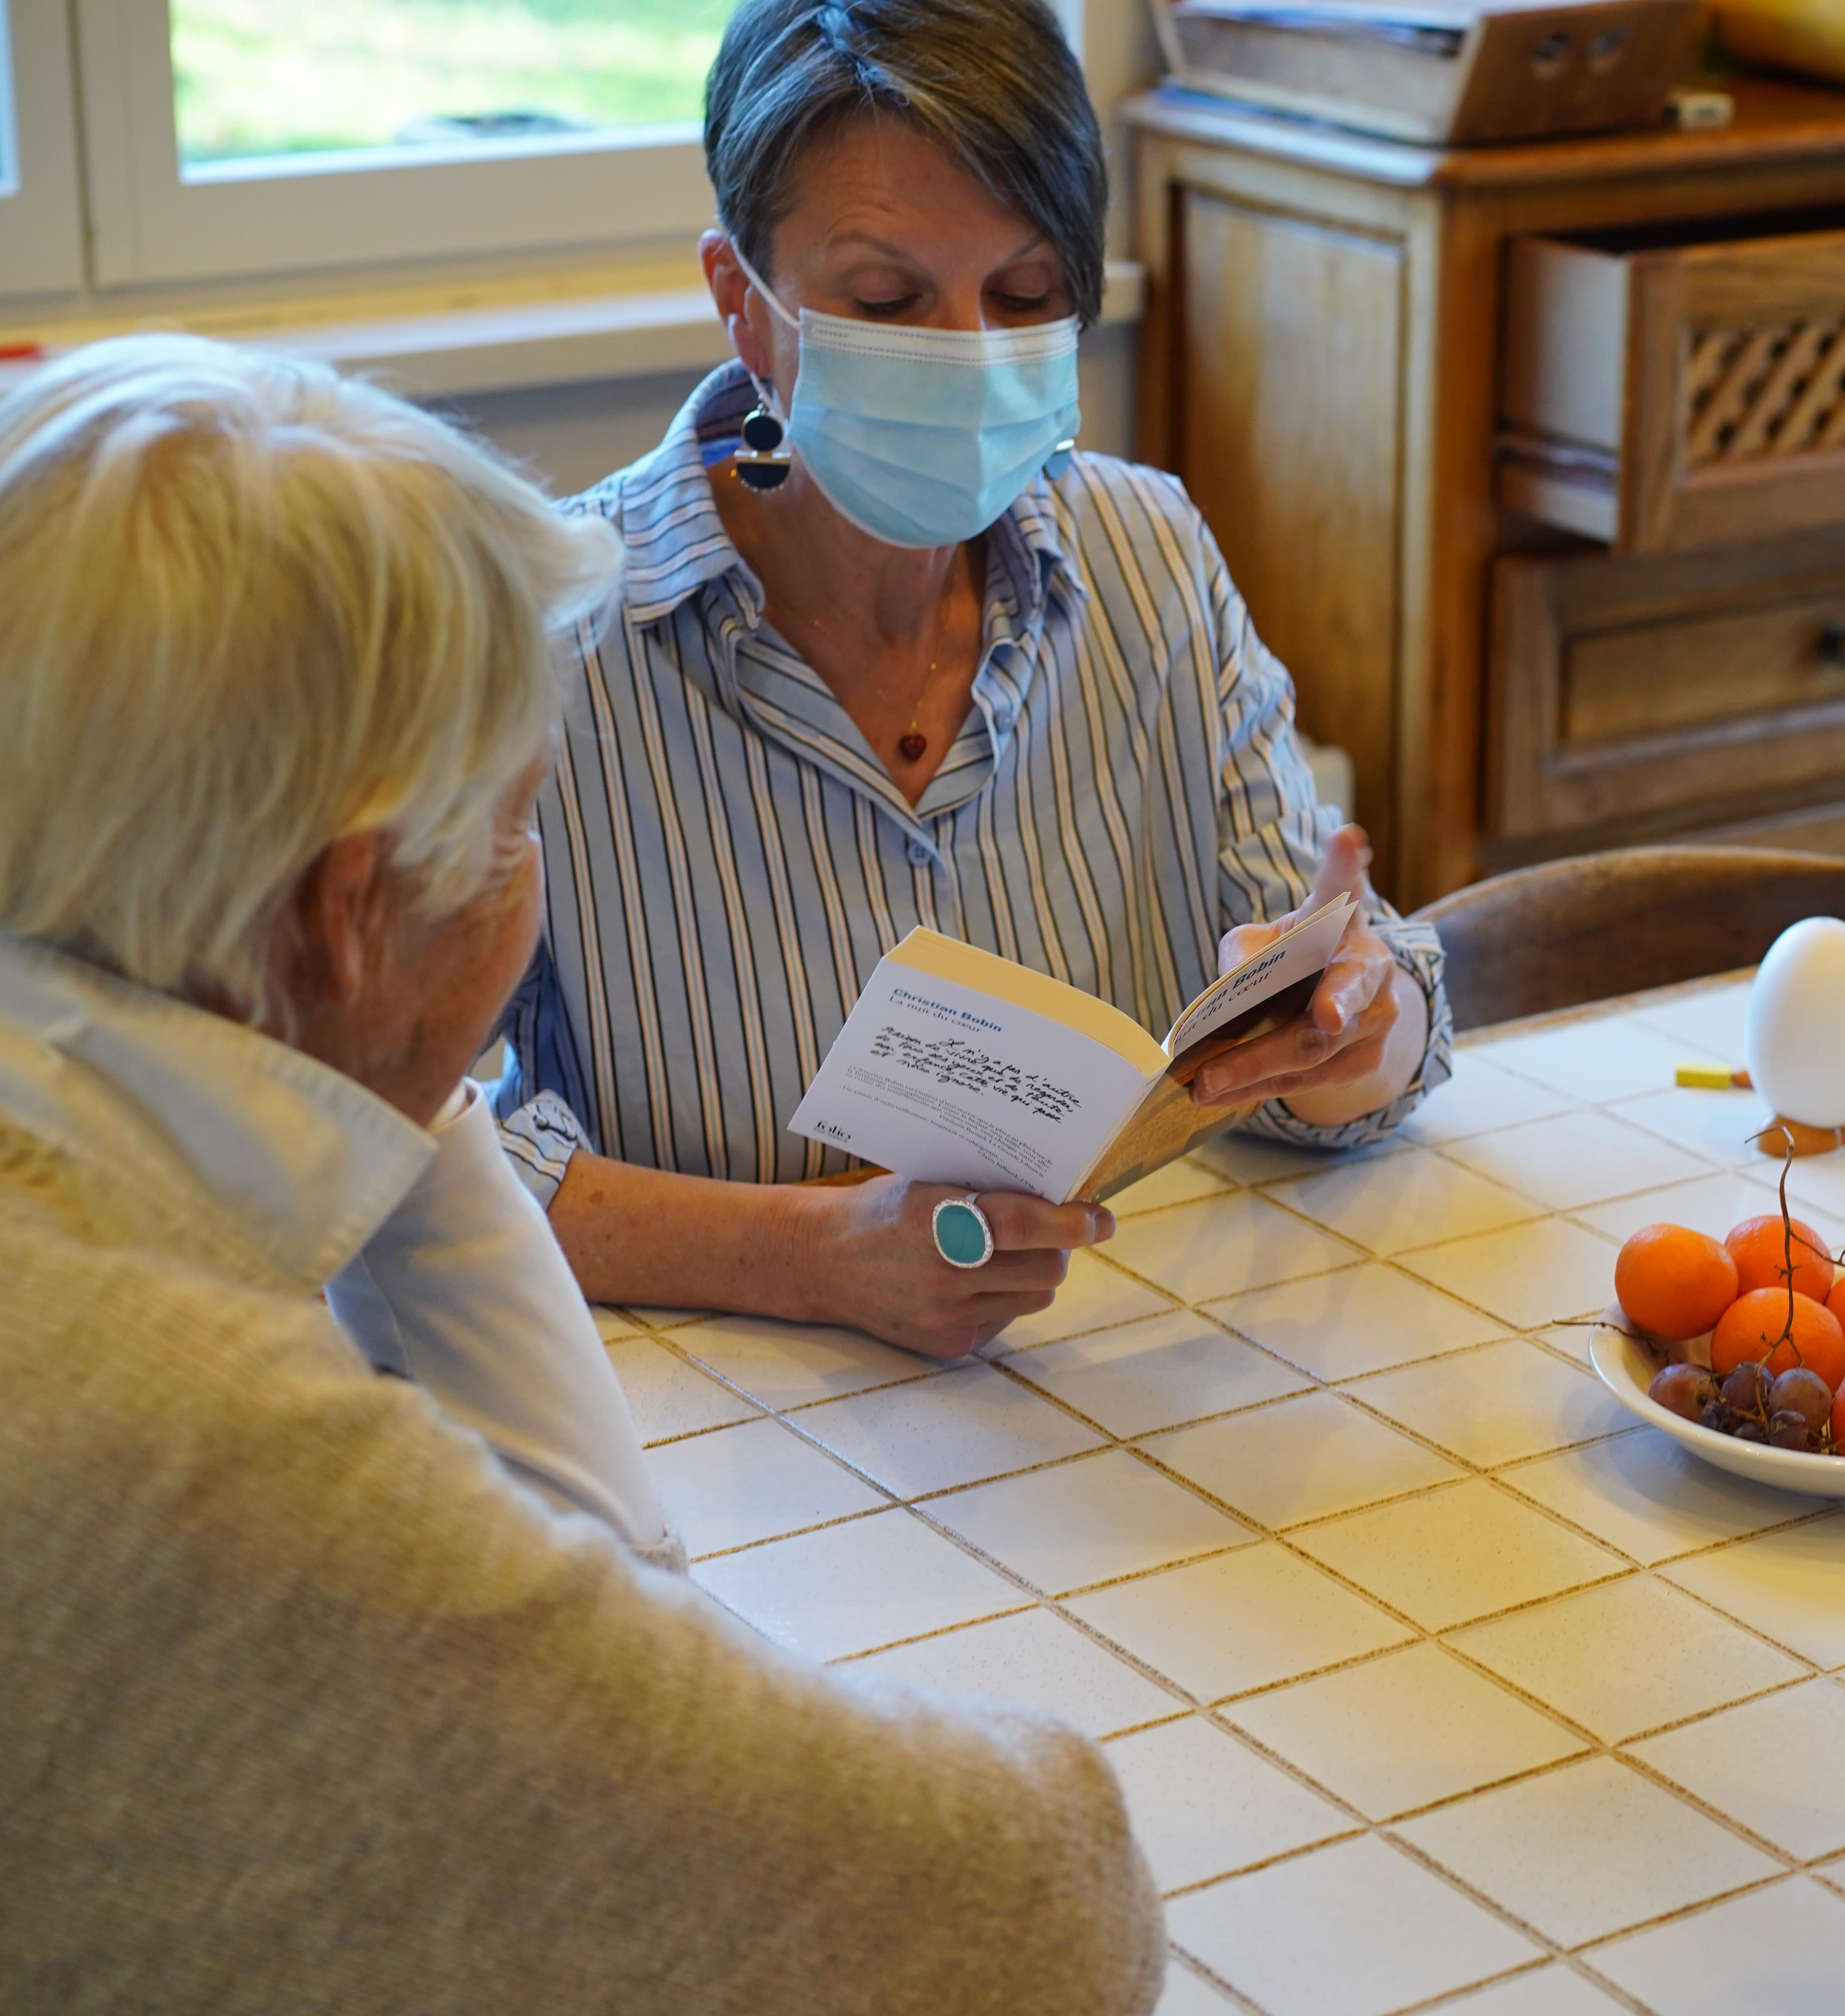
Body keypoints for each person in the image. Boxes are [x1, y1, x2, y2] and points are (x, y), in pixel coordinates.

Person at [0, 335, 1164, 2013]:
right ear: (348, 909)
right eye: (520, 825)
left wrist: (394, 1091)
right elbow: (1036, 1915)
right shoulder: (199, 1449)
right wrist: (393, 1067)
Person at [493, 0, 1453, 1358]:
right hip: (727, 1442)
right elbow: (410, 1166)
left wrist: (1360, 1032)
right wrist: (820, 1259)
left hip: (1119, 1383)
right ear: (742, 307)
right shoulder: (541, 642)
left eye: (1024, 296)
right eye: (887, 301)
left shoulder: (1147, 558)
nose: (969, 353)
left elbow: (1334, 1014)